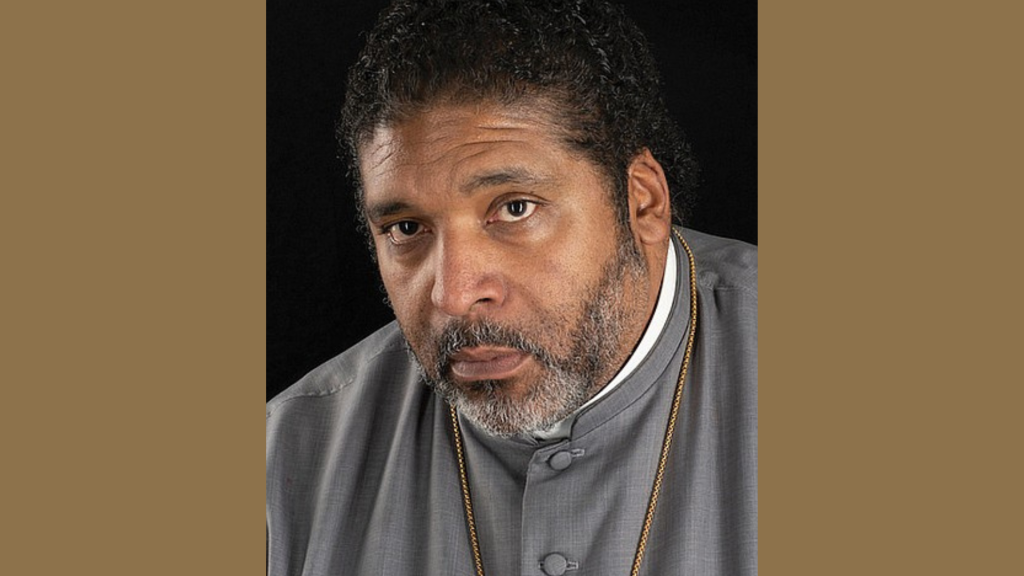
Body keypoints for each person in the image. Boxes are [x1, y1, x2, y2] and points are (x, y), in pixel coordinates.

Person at [266, 0, 757, 574]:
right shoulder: (285, 460)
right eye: (406, 228)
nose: (451, 294)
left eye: (515, 208)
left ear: (642, 201)